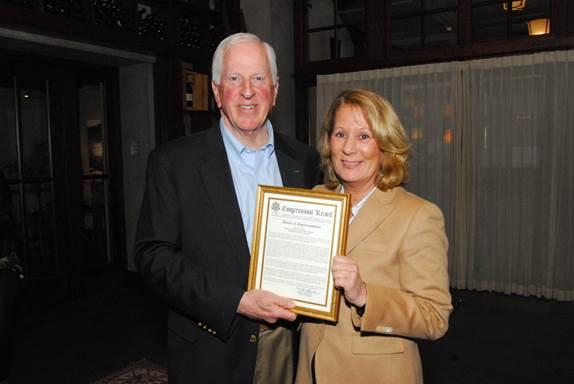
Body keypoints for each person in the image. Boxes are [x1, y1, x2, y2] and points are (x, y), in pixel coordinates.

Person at [134, 32, 320, 384]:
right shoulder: (174, 162)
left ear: (275, 90)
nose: (247, 91)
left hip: (288, 342)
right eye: (235, 79)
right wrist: (236, 301)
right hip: (211, 347)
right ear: (217, 92)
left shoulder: (303, 159)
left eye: (259, 78)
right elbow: (152, 255)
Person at [295, 89, 452, 384]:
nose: (349, 149)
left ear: (386, 144)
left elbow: (435, 317)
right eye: (340, 134)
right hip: (311, 370)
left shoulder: (418, 215)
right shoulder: (316, 200)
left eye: (364, 136)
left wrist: (365, 296)